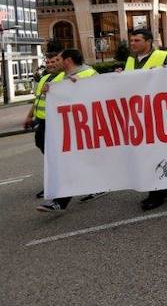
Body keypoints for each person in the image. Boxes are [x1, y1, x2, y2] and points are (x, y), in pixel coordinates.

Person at [36, 49, 98, 212]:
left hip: (85, 128)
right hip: (72, 128)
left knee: (74, 162)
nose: (55, 62)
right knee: (70, 163)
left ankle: (60, 200)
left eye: (58, 59)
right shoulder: (64, 77)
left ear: (68, 61)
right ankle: (60, 200)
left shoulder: (88, 74)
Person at [122, 29, 167, 210]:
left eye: (136, 40)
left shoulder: (162, 56)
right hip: (139, 113)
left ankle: (157, 192)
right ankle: (163, 188)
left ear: (148, 42)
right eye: (131, 40)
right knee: (146, 153)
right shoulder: (130, 60)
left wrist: (162, 72)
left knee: (155, 153)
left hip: (158, 112)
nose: (132, 43)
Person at [24, 43, 64, 199]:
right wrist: (29, 116)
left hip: (57, 123)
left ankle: (55, 184)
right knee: (45, 151)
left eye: (54, 61)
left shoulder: (65, 77)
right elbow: (37, 99)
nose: (50, 65)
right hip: (42, 122)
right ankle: (55, 181)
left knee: (55, 155)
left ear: (61, 61)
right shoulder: (45, 78)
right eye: (48, 62)